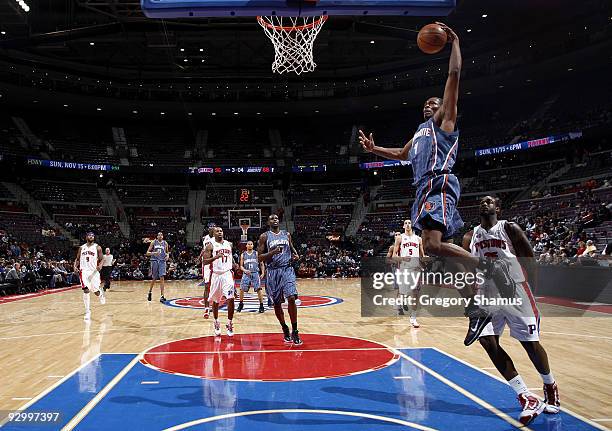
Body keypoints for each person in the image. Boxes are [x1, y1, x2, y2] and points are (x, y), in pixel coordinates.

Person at [358, 22, 516, 346]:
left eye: (435, 103)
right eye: (427, 105)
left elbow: (454, 77)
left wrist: (455, 42)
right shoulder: (418, 134)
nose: (431, 106)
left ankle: (491, 269)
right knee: (441, 256)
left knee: (431, 247)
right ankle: (476, 308)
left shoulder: (444, 123)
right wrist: (375, 150)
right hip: (422, 190)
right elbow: (401, 153)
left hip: (439, 182)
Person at [463, 196, 560, 426]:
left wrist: (532, 292)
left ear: (498, 207)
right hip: (486, 293)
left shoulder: (509, 228)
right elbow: (467, 268)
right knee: (487, 341)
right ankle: (525, 394)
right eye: (481, 201)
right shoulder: (470, 236)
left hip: (515, 290)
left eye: (489, 201)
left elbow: (529, 259)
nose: (484, 204)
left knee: (530, 344)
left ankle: (549, 385)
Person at [257, 214, 302, 345]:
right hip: (272, 272)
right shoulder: (264, 237)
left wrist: (295, 254)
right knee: (277, 303)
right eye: (271, 218)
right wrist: (271, 253)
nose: (274, 220)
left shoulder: (286, 234)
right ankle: (284, 327)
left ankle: (295, 330)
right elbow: (259, 258)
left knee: (291, 297)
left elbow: (291, 247)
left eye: (276, 218)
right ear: (268, 222)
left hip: (287, 269)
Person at [201, 227, 237, 337]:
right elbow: (204, 261)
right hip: (216, 275)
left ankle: (230, 323)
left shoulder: (229, 244)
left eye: (221, 231)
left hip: (227, 274)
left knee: (230, 299)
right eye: (217, 231)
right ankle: (216, 322)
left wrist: (235, 264)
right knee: (216, 301)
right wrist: (215, 257)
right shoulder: (210, 245)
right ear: (214, 233)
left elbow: (230, 256)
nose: (220, 232)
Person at [393, 220, 425, 328]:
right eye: (406, 223)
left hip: (415, 269)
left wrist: (424, 262)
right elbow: (394, 256)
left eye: (409, 223)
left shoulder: (419, 239)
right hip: (404, 269)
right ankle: (401, 302)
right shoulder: (399, 238)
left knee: (415, 293)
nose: (408, 224)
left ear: (412, 225)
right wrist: (402, 258)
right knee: (403, 293)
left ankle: (413, 317)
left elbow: (422, 256)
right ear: (403, 226)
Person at [74, 232, 105, 321]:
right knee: (86, 290)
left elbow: (102, 258)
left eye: (92, 236)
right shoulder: (81, 248)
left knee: (95, 291)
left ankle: (101, 295)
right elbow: (77, 259)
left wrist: (100, 265)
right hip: (84, 271)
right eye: (89, 235)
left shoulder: (97, 247)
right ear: (86, 237)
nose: (91, 237)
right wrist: (75, 266)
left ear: (94, 238)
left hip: (94, 271)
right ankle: (87, 312)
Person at [237, 240, 266, 313]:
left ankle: (261, 305)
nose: (250, 245)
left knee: (259, 289)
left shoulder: (256, 253)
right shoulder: (243, 255)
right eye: (248, 244)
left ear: (253, 245)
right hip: (246, 273)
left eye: (251, 244)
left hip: (255, 273)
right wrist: (245, 270)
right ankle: (241, 304)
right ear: (246, 246)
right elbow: (241, 266)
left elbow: (262, 263)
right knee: (241, 289)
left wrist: (262, 273)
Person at [199, 223, 216, 319]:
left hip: (215, 263)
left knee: (215, 286)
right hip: (206, 264)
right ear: (209, 229)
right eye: (211, 228)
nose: (212, 229)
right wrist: (199, 257)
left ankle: (214, 305)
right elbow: (203, 249)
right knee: (206, 286)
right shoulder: (204, 238)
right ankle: (206, 308)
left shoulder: (217, 239)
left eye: (214, 228)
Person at [146, 232, 169, 303]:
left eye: (161, 235)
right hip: (154, 261)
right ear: (157, 236)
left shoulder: (165, 243)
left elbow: (167, 252)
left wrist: (167, 256)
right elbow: (147, 253)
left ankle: (162, 296)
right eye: (159, 235)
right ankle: (150, 292)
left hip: (162, 261)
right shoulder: (153, 242)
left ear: (163, 236)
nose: (160, 236)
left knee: (162, 277)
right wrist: (154, 253)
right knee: (154, 278)